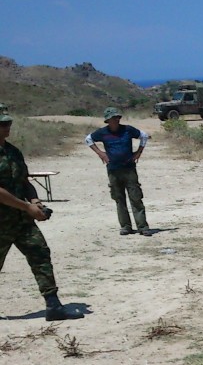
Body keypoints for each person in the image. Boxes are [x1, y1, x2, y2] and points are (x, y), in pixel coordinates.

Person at [0, 106, 83, 321]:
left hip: (22, 221)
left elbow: (25, 181)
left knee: (40, 256)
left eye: (8, 122)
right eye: (2, 124)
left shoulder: (12, 151)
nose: (6, 127)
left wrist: (35, 201)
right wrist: (27, 207)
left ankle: (53, 305)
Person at [85, 107, 152, 236]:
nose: (117, 120)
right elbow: (88, 139)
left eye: (118, 117)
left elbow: (143, 136)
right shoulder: (102, 133)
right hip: (113, 170)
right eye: (114, 118)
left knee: (136, 197)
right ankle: (126, 226)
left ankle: (142, 226)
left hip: (129, 169)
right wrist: (100, 153)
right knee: (119, 199)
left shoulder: (128, 130)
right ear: (108, 120)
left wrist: (138, 153)